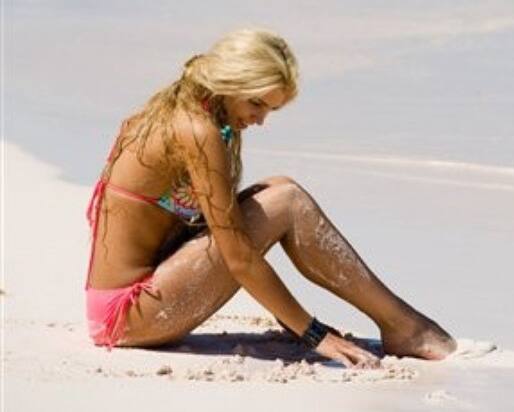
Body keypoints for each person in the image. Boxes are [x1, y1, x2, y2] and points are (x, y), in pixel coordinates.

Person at [85, 28, 456, 368]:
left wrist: (289, 316)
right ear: (232, 83)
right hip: (126, 315)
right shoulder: (196, 131)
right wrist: (313, 334)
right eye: (257, 104)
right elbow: (239, 256)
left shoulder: (189, 112)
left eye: (270, 109)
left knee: (280, 187)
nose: (261, 120)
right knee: (286, 202)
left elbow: (208, 232)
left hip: (138, 298)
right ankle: (404, 326)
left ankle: (399, 324)